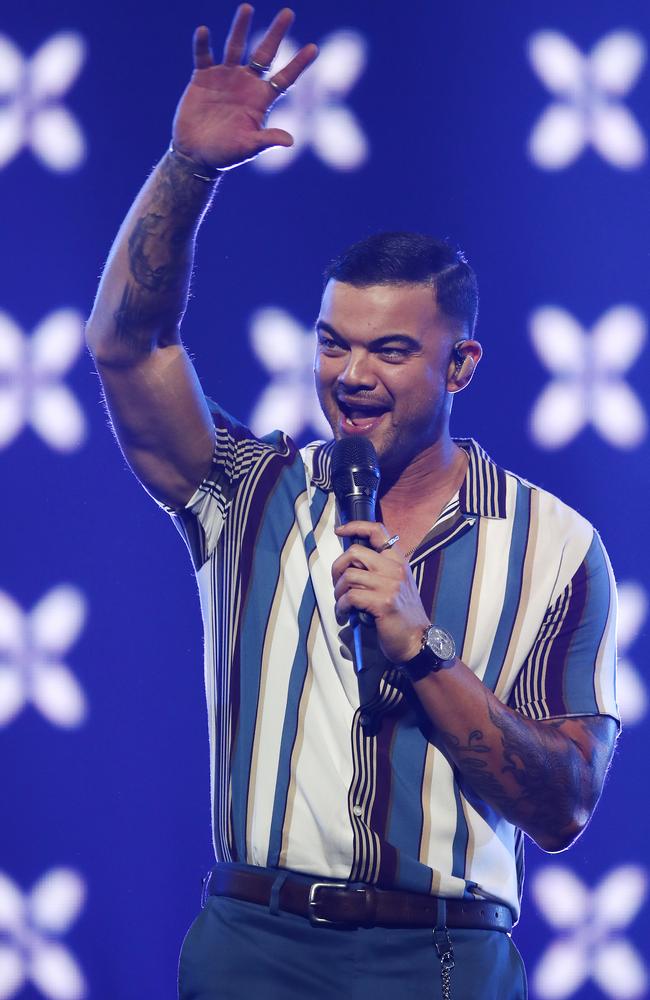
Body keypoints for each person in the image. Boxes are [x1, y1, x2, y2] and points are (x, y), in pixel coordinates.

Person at [86, 6, 619, 998]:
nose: (350, 375)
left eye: (388, 350)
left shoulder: (554, 542)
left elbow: (562, 807)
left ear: (460, 362)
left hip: (443, 959)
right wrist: (186, 171)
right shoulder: (248, 490)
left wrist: (421, 648)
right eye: (333, 344)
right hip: (254, 947)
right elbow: (129, 347)